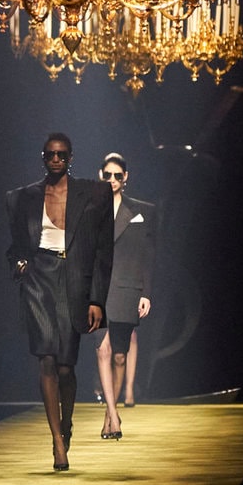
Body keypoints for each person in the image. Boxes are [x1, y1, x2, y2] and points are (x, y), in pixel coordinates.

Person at [5, 131, 113, 471]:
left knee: (66, 366)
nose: (56, 159)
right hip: (39, 279)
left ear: (70, 158)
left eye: (61, 155)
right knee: (47, 358)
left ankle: (66, 425)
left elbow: (103, 252)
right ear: (43, 157)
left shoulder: (94, 194)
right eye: (50, 154)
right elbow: (15, 247)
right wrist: (19, 265)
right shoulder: (23, 198)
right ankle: (56, 440)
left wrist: (97, 299)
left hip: (74, 280)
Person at [91, 151, 157, 431]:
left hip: (128, 288)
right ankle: (113, 415)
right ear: (100, 175)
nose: (113, 179)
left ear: (126, 177)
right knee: (103, 349)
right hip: (99, 288)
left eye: (117, 175)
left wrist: (146, 292)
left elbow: (148, 256)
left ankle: (111, 413)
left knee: (119, 355)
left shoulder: (143, 211)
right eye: (108, 175)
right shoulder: (90, 210)